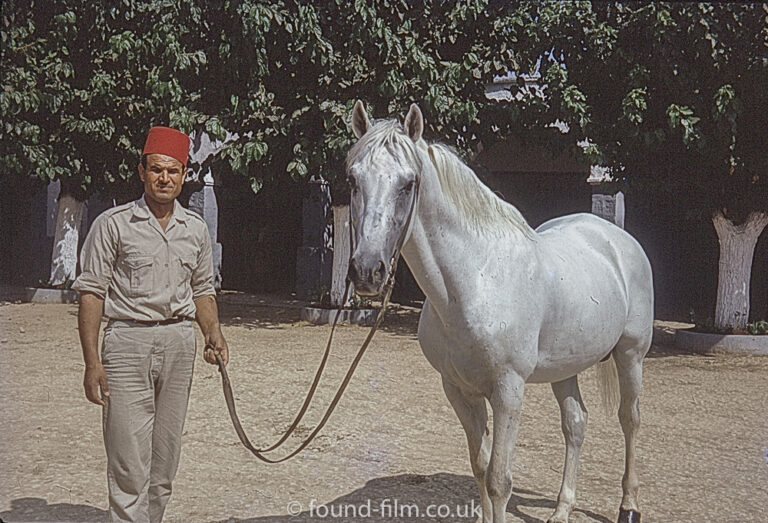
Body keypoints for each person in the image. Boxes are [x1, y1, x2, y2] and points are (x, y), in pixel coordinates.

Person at [73, 126, 229, 522]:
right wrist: (93, 362)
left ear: (183, 175)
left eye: (173, 172)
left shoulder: (195, 229)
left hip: (179, 344)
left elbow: (203, 292)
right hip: (127, 344)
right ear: (141, 171)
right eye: (156, 170)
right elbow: (91, 293)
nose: (164, 179)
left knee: (163, 464)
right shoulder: (113, 225)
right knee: (128, 462)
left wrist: (213, 333)